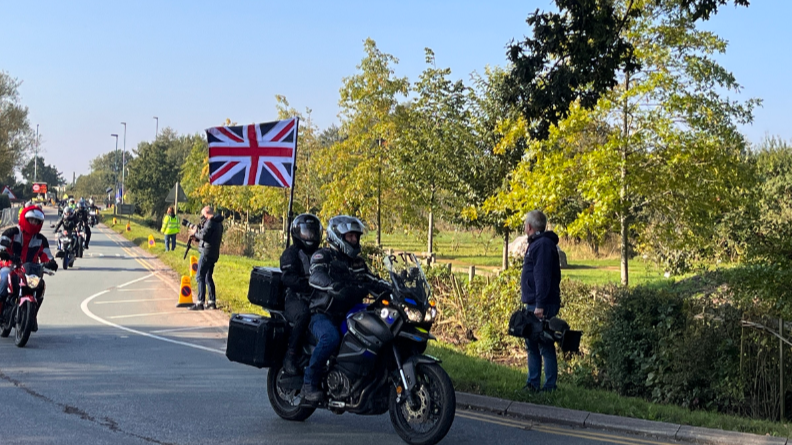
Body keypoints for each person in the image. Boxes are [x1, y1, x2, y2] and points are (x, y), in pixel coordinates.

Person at [301, 215, 389, 403]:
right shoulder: (323, 255)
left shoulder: (357, 263)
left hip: (349, 313)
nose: (354, 240)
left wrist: (393, 288)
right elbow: (315, 276)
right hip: (322, 314)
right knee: (330, 337)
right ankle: (308, 383)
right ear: (336, 236)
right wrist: (332, 286)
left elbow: (372, 281)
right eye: (349, 236)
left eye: (356, 237)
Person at [521, 210, 562, 392]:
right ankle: (535, 383)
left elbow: (542, 277)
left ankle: (545, 385)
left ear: (529, 226)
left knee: (543, 344)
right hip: (538, 301)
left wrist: (540, 305)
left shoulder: (542, 245)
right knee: (534, 343)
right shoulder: (540, 244)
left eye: (525, 224)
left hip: (541, 304)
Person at [0, 206, 58, 330]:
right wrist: (4, 252)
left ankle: (32, 315)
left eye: (36, 221)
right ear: (25, 218)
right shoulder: (12, 232)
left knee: (40, 285)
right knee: (4, 278)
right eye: (31, 219)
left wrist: (51, 262)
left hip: (29, 270)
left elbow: (46, 255)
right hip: (10, 266)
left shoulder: (41, 239)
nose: (33, 223)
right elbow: (2, 244)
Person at [280, 214, 323, 375]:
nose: (310, 236)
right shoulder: (291, 253)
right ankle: (290, 356)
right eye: (306, 233)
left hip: (317, 295)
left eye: (312, 233)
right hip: (295, 296)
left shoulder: (322, 253)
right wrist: (306, 285)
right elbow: (287, 277)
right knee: (303, 315)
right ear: (297, 233)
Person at [188, 206, 224, 310]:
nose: (202, 218)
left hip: (206, 253)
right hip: (213, 252)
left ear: (206, 214)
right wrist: (198, 237)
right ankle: (212, 302)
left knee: (200, 276)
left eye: (203, 215)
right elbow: (209, 238)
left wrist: (195, 233)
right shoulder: (218, 223)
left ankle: (200, 302)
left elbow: (204, 236)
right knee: (208, 277)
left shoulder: (210, 222)